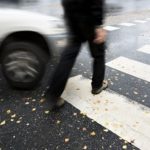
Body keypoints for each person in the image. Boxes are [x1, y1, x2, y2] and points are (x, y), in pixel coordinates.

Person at [44, 0, 108, 109]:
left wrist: (68, 14)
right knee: (98, 54)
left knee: (68, 56)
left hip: (72, 15)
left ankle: (53, 95)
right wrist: (98, 25)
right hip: (89, 17)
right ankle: (97, 85)